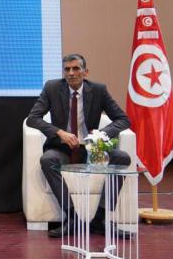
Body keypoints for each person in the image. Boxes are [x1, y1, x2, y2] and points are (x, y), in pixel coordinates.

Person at [26, 53, 131, 238]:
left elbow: (123, 119)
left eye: (76, 68)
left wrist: (101, 135)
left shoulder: (98, 90)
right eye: (67, 69)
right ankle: (72, 217)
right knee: (47, 160)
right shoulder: (52, 88)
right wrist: (59, 132)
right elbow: (33, 118)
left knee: (122, 157)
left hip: (91, 150)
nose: (71, 73)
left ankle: (101, 218)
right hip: (62, 148)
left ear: (85, 72)